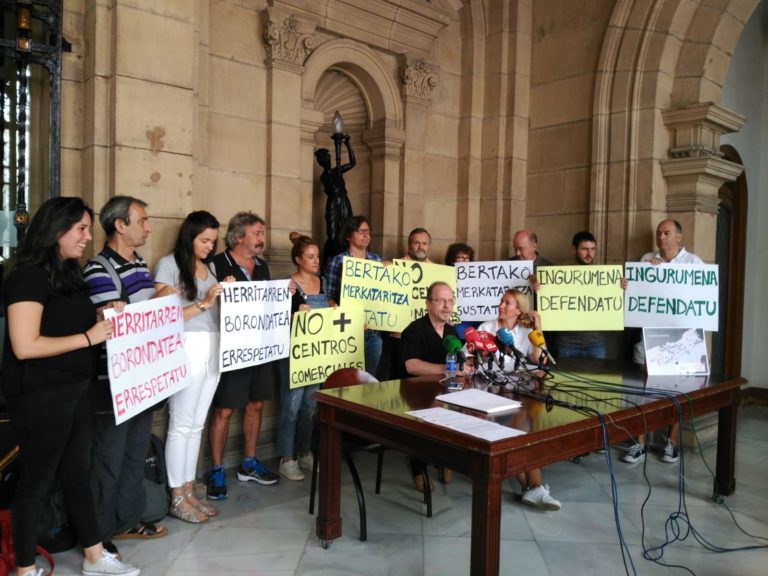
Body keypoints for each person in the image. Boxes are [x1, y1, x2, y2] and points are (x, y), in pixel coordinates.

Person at [2, 197, 140, 576]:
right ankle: (25, 570)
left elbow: (64, 322)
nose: (88, 236)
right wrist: (90, 335)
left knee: (78, 472)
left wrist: (101, 313)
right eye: (81, 228)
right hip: (40, 395)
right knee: (36, 483)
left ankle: (95, 556)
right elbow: (25, 344)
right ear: (56, 230)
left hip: (76, 389)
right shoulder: (26, 276)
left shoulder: (69, 273)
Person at [83, 196, 166, 557]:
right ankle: (98, 536)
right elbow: (114, 322)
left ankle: (128, 519)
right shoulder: (98, 269)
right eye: (142, 220)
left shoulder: (141, 263)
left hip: (142, 378)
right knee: (108, 458)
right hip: (114, 383)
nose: (149, 227)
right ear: (120, 225)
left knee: (135, 453)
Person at [206, 212, 284, 499]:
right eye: (257, 233)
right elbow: (205, 307)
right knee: (224, 409)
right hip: (232, 350)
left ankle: (249, 463)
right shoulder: (216, 265)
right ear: (239, 237)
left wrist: (283, 294)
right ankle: (216, 468)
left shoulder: (262, 267)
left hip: (260, 348)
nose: (262, 238)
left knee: (256, 404)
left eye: (262, 233)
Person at [154, 211, 224, 522]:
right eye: (204, 240)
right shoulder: (169, 265)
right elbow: (165, 316)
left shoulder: (208, 268)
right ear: (190, 236)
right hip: (186, 345)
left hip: (213, 344)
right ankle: (175, 494)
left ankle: (188, 488)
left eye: (213, 240)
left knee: (197, 422)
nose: (210, 246)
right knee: (181, 423)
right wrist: (204, 302)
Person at [622, 219, 703, 465]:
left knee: (676, 392)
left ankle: (671, 442)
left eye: (667, 233)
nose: (662, 237)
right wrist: (630, 282)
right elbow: (631, 292)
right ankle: (640, 442)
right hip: (649, 339)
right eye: (659, 233)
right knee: (642, 390)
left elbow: (701, 297)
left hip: (679, 340)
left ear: (679, 237)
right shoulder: (647, 258)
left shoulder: (693, 263)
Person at [476, 289, 561, 510]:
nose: (502, 306)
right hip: (489, 391)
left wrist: (537, 327)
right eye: (501, 302)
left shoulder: (526, 331)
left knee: (523, 430)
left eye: (508, 303)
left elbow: (540, 361)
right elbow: (475, 359)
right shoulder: (486, 328)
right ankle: (535, 488)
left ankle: (531, 489)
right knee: (519, 430)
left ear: (519, 309)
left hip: (518, 392)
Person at [400, 282, 471, 491]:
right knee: (427, 416)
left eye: (450, 301)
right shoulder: (414, 330)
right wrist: (447, 369)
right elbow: (411, 366)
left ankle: (445, 458)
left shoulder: (451, 331)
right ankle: (417, 466)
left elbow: (458, 360)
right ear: (428, 304)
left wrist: (465, 366)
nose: (447, 306)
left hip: (446, 392)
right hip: (416, 394)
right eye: (441, 301)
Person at [277, 232, 336, 481]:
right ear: (298, 259)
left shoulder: (322, 282)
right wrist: (294, 311)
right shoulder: (288, 286)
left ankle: (305, 452)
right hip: (294, 355)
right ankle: (286, 458)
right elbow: (277, 321)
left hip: (316, 356)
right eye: (310, 257)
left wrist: (333, 305)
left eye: (318, 256)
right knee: (290, 406)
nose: (316, 261)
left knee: (310, 405)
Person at [324, 215, 383, 374]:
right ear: (349, 235)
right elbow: (328, 296)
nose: (366, 235)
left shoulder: (377, 261)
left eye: (368, 231)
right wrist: (339, 310)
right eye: (361, 231)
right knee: (347, 380)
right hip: (347, 333)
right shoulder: (337, 261)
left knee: (368, 382)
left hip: (373, 333)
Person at [555, 231, 609, 359]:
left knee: (597, 379)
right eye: (585, 249)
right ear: (574, 250)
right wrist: (539, 288)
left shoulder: (605, 277)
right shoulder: (559, 276)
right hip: (567, 344)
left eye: (593, 249)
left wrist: (621, 288)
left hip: (596, 343)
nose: (589, 254)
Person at [315, 136, 356, 266]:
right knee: (332, 235)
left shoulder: (336, 171)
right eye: (323, 159)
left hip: (344, 201)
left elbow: (353, 163)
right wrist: (337, 172)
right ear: (321, 162)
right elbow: (331, 183)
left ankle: (347, 256)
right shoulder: (325, 176)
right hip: (333, 204)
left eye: (327, 157)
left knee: (348, 230)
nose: (326, 160)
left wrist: (348, 144)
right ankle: (328, 262)